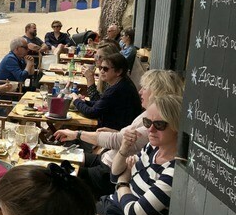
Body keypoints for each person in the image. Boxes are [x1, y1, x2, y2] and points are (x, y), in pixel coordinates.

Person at [54, 70, 184, 198]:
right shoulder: (147, 114)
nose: (140, 91)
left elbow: (118, 140)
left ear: (156, 92)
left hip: (108, 171)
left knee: (60, 175)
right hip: (107, 159)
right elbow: (126, 137)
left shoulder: (154, 122)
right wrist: (115, 132)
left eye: (145, 88)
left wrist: (76, 134)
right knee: (63, 158)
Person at [96, 94, 182, 215]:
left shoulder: (173, 171)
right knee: (72, 213)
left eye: (159, 125)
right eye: (147, 122)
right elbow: (115, 174)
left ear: (177, 126)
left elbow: (134, 214)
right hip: (117, 208)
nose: (150, 129)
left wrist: (123, 183)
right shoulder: (152, 148)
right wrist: (124, 149)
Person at [71, 53, 142, 131]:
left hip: (115, 132)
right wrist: (84, 102)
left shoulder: (117, 90)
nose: (101, 71)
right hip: (117, 128)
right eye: (101, 68)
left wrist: (76, 100)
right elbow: (101, 104)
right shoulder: (123, 83)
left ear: (119, 72)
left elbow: (92, 113)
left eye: (105, 69)